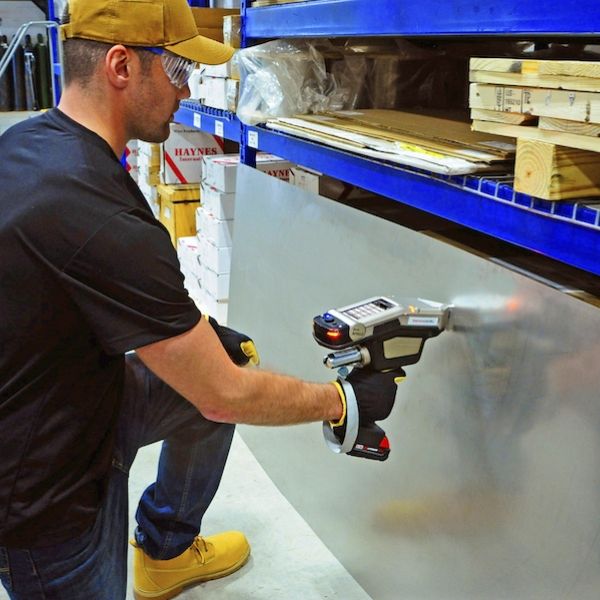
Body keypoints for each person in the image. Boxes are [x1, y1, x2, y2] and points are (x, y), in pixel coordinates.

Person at [0, 0, 402, 599]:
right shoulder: (102, 218)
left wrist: (198, 336)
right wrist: (341, 401)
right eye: (179, 72)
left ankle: (166, 549)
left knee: (221, 361)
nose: (186, 94)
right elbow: (224, 397)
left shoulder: (30, 143)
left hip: (72, 393)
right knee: (222, 386)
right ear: (120, 66)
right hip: (40, 494)